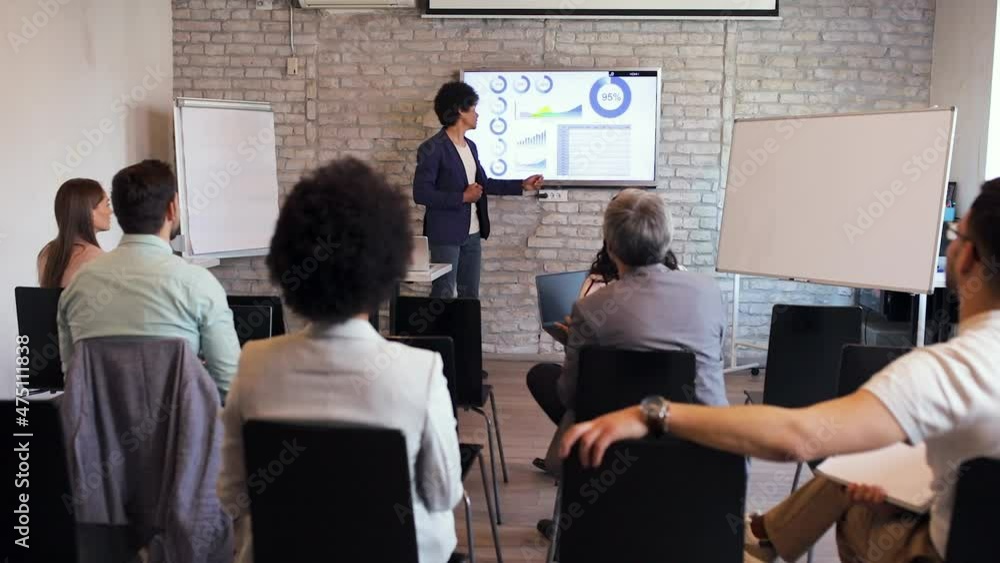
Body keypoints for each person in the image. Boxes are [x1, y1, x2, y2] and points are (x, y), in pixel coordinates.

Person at [559, 180, 1000, 563]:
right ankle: (760, 536)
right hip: (716, 471)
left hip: (947, 551)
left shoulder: (949, 370)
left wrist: (652, 412)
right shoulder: (706, 294)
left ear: (965, 258)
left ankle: (764, 537)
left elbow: (799, 436)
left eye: (954, 232)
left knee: (857, 508)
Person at [218, 158, 464, 563]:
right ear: (388, 265)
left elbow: (231, 494)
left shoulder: (254, 364)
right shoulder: (420, 373)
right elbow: (444, 494)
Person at [57, 160, 240, 400]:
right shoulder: (199, 284)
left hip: (100, 437)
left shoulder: (78, 288)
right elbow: (230, 386)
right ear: (172, 209)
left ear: (119, 214)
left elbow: (74, 385)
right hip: (182, 434)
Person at [526, 240, 683, 472]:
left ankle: (592, 442)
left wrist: (576, 340)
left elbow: (571, 389)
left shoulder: (596, 288)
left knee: (559, 380)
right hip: (673, 401)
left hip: (608, 395)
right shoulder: (688, 285)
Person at [414, 80, 544, 299]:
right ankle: (439, 334)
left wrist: (522, 185)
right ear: (459, 110)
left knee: (469, 296)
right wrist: (463, 197)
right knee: (443, 294)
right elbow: (421, 194)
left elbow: (484, 184)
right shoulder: (432, 148)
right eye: (473, 109)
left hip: (472, 234)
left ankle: (465, 335)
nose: (477, 114)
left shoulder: (470, 146)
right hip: (445, 235)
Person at [37, 178, 113, 288]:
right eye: (107, 204)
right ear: (89, 211)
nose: (110, 211)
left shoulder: (46, 253)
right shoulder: (97, 258)